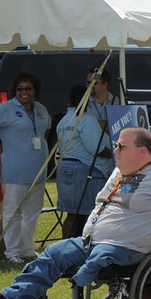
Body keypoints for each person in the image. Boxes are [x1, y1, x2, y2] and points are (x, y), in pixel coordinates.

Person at [0, 127, 151, 299]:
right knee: (54, 252)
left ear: (142, 151)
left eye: (121, 147)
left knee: (102, 254)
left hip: (132, 249)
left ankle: (87, 271)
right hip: (93, 241)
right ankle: (18, 298)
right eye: (116, 145)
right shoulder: (121, 172)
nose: (115, 150)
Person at [0, 73, 52, 264]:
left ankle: (27, 249)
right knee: (13, 213)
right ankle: (11, 253)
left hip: (37, 172)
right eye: (20, 89)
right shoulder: (6, 108)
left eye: (28, 88)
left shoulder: (40, 109)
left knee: (32, 214)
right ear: (15, 91)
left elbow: (47, 127)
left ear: (35, 90)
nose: (24, 92)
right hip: (14, 171)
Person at [55, 86, 108, 239]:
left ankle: (66, 247)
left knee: (72, 214)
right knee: (87, 213)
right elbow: (95, 148)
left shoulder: (64, 120)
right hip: (83, 169)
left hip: (65, 166)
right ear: (87, 100)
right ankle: (82, 247)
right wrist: (116, 152)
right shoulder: (87, 119)